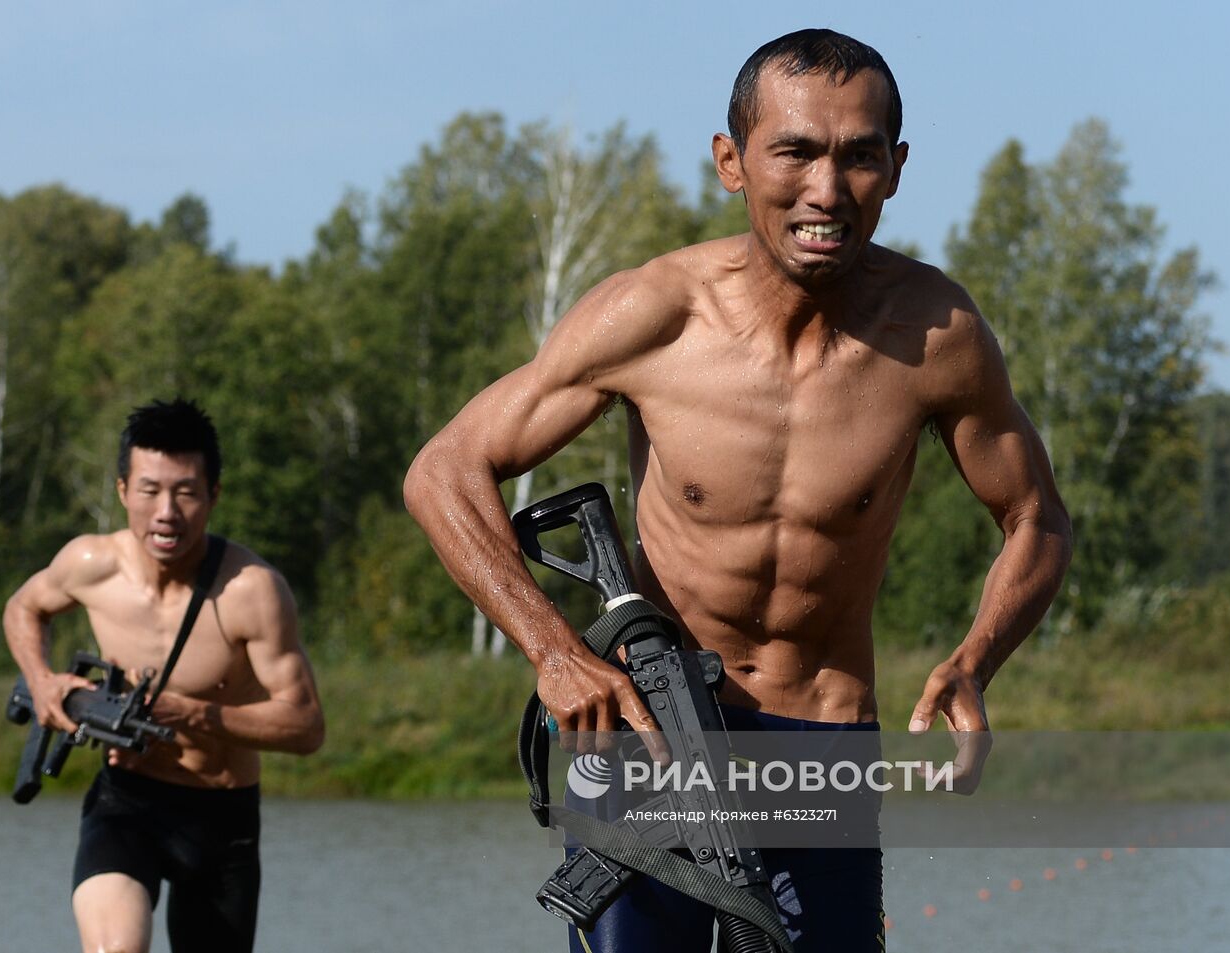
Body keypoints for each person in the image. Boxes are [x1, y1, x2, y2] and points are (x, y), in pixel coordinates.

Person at [404, 28, 1072, 953]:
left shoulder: (938, 333)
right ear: (731, 161)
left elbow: (1036, 517)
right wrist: (553, 650)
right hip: (651, 730)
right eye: (794, 152)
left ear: (897, 167)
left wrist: (975, 658)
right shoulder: (654, 315)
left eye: (859, 157)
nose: (826, 191)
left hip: (821, 738)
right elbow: (444, 469)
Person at [4, 397, 324, 953]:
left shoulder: (252, 590)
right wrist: (42, 680)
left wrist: (190, 713)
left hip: (222, 821)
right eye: (149, 491)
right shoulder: (89, 564)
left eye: (186, 492)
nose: (166, 513)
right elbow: (22, 608)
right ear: (123, 490)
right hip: (126, 805)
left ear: (214, 495)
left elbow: (305, 727)